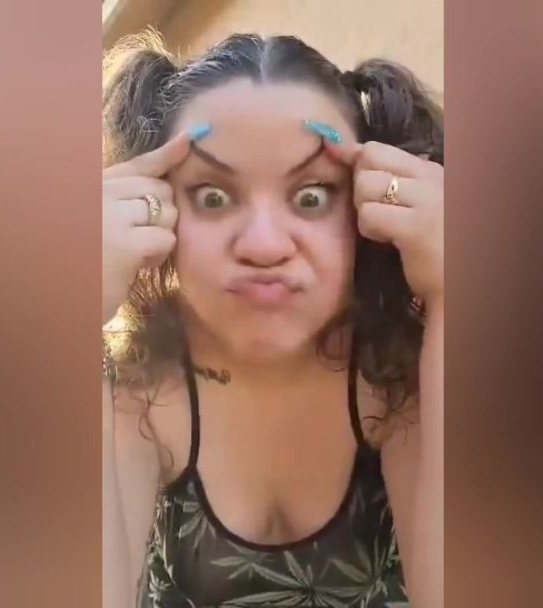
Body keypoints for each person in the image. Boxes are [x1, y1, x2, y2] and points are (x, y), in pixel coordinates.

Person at [101, 30, 444, 607]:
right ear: (153, 206)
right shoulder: (138, 391)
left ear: (373, 207)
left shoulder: (398, 379)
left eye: (313, 196)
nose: (264, 245)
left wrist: (454, 293)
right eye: (212, 197)